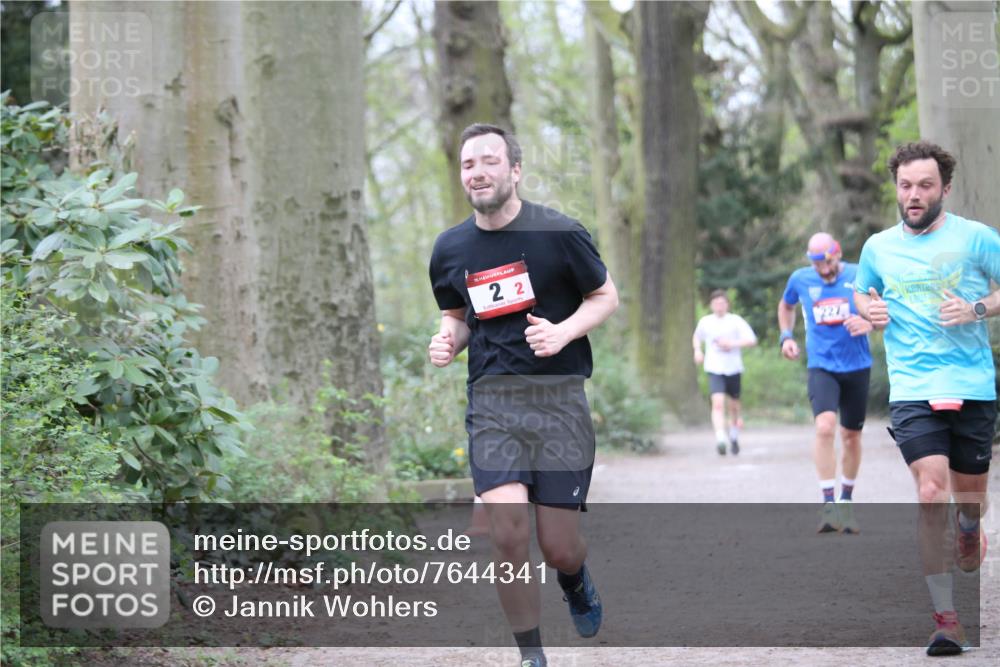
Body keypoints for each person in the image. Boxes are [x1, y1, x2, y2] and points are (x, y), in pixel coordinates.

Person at [427, 123, 619, 667]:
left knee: (558, 545)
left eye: (489, 161)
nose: (478, 172)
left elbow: (605, 296)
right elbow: (456, 316)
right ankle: (531, 655)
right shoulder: (450, 247)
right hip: (493, 404)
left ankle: (575, 577)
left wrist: (563, 332)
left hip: (559, 402)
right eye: (468, 165)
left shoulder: (560, 234)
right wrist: (447, 341)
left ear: (515, 170)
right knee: (508, 535)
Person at [854, 141, 999, 657]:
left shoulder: (977, 239)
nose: (914, 195)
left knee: (969, 500)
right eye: (906, 186)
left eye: (925, 186)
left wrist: (978, 308)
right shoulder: (878, 247)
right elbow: (862, 290)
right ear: (896, 188)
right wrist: (868, 310)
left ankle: (969, 527)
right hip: (914, 386)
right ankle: (946, 621)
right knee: (930, 492)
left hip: (973, 386)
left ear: (945, 189)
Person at [778, 233, 873, 533]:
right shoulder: (800, 279)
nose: (823, 269)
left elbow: (883, 308)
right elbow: (786, 305)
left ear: (838, 253)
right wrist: (786, 337)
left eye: (828, 262)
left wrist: (869, 323)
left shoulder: (860, 274)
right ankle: (828, 504)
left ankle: (846, 501)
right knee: (824, 427)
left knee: (851, 437)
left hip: (857, 366)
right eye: (817, 264)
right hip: (822, 365)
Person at [692, 290, 757, 455]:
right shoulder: (706, 322)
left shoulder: (735, 321)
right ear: (711, 305)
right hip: (714, 368)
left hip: (733, 368)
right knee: (718, 403)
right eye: (716, 303)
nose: (719, 306)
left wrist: (732, 343)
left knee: (734, 406)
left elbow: (751, 340)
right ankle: (720, 438)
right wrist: (698, 351)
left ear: (727, 305)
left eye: (722, 303)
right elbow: (697, 336)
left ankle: (734, 435)